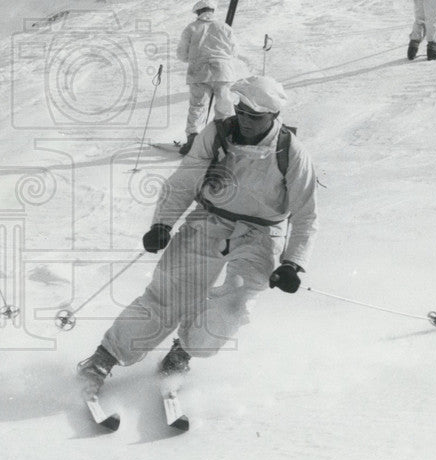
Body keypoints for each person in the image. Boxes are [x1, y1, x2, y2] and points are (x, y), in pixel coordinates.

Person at [77, 75, 318, 393]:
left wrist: (292, 264)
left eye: (254, 116)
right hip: (210, 219)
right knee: (167, 295)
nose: (244, 120)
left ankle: (182, 353)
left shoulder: (291, 152)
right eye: (241, 111)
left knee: (233, 305)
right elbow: (184, 180)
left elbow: (306, 215)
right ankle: (102, 359)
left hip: (261, 233)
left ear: (273, 117)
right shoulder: (218, 134)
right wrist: (162, 224)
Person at [176, 0, 238, 155]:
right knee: (225, 106)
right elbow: (233, 51)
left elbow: (182, 54)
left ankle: (193, 139)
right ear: (212, 11)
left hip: (199, 71)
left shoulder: (191, 28)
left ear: (198, 12)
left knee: (197, 106)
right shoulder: (225, 27)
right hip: (223, 71)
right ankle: (226, 140)